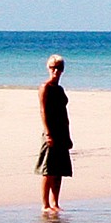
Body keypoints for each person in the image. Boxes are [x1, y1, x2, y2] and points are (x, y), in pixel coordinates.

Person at [36, 55, 72, 214]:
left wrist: (68, 135)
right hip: (51, 132)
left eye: (58, 68)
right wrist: (48, 133)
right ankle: (45, 204)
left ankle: (55, 203)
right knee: (48, 170)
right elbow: (43, 111)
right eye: (53, 68)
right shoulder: (45, 87)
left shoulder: (59, 89)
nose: (55, 71)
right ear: (48, 68)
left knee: (59, 171)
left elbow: (64, 114)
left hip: (62, 132)